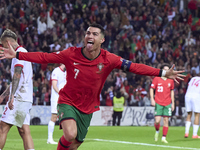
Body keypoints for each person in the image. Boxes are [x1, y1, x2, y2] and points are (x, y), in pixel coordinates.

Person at [0, 23, 185, 150]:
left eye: (94, 34)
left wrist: (161, 73)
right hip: (68, 101)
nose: (90, 36)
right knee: (70, 134)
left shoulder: (109, 59)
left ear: (101, 40)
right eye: (88, 33)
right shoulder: (70, 54)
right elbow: (44, 57)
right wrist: (17, 54)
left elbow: (134, 67)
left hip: (88, 107)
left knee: (74, 144)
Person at [0, 29, 34, 150]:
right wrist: (4, 95)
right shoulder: (22, 52)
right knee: (24, 130)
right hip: (25, 97)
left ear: (8, 42)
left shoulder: (19, 53)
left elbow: (17, 75)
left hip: (19, 97)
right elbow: (18, 78)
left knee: (3, 126)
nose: (4, 49)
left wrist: (12, 96)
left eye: (4, 45)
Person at [150, 64, 175, 144]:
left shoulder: (171, 80)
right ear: (162, 70)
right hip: (158, 102)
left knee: (166, 120)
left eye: (168, 69)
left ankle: (164, 137)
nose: (167, 71)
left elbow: (172, 92)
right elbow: (151, 89)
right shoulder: (157, 79)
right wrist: (152, 99)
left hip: (167, 103)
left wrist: (173, 103)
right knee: (157, 121)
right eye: (165, 69)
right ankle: (157, 131)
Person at [47, 64, 66, 144]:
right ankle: (49, 139)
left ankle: (67, 139)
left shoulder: (67, 72)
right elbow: (54, 86)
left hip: (65, 98)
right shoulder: (56, 71)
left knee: (66, 118)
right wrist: (61, 93)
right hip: (56, 98)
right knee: (54, 117)